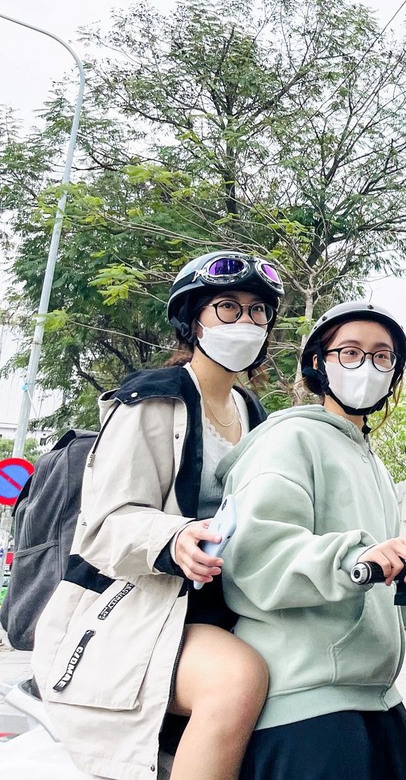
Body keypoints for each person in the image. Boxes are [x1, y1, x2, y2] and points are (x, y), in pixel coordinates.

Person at [31, 251, 284, 780]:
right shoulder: (151, 402)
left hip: (231, 601)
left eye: (258, 311)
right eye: (227, 307)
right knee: (236, 682)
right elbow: (105, 523)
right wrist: (175, 538)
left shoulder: (256, 414)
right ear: (192, 319)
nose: (246, 322)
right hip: (143, 602)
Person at [218, 301, 406, 780]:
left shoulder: (372, 463)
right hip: (305, 699)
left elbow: (385, 581)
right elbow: (257, 552)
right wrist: (355, 557)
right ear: (318, 364)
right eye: (350, 352)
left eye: (382, 357)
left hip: (375, 693)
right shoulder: (289, 440)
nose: (367, 367)